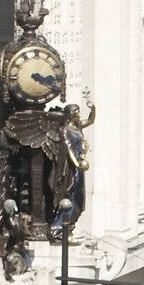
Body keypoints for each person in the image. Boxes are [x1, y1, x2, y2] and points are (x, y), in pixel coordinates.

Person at [49, 100, 96, 238]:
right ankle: (58, 227)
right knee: (69, 193)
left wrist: (93, 108)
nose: (79, 114)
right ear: (72, 114)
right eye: (77, 112)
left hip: (79, 165)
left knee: (78, 196)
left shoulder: (78, 126)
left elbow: (91, 120)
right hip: (69, 168)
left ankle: (69, 225)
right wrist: (76, 164)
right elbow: (68, 148)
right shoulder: (64, 129)